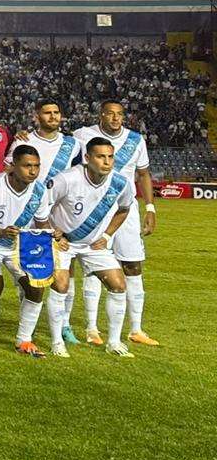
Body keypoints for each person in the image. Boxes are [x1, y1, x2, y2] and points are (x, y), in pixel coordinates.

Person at [72, 100, 158, 347]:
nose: (115, 118)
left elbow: (143, 174)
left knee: (133, 265)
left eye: (119, 114)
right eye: (110, 113)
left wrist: (150, 208)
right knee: (94, 265)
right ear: (101, 115)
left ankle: (136, 329)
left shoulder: (135, 140)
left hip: (126, 209)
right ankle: (92, 328)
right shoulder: (82, 135)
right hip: (94, 208)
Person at [46, 136, 137, 357]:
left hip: (92, 245)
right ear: (87, 158)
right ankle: (57, 342)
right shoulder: (67, 179)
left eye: (110, 157)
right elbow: (41, 205)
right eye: (100, 157)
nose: (107, 162)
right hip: (63, 243)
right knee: (61, 285)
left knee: (118, 284)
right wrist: (53, 232)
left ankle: (114, 342)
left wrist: (107, 235)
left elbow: (124, 209)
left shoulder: (120, 183)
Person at [8, 99, 81, 344]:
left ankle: (65, 324)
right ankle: (26, 322)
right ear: (36, 116)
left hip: (59, 213)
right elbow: (8, 170)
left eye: (56, 112)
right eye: (47, 112)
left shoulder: (73, 145)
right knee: (28, 270)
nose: (52, 116)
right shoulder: (23, 140)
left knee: (66, 270)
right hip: (29, 214)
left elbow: (78, 175)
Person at [0, 146, 55, 358]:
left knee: (36, 286)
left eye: (36, 166)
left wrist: (53, 234)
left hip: (19, 246)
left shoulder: (39, 190)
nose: (33, 171)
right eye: (27, 166)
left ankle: (24, 340)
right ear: (12, 166)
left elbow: (42, 222)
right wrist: (2, 232)